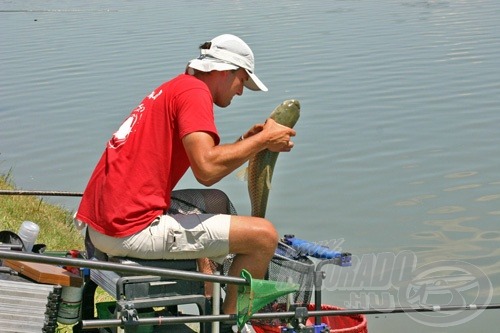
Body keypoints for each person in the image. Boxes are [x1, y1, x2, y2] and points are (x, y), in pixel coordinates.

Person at [75, 34, 296, 317]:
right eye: (242, 80)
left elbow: (206, 157)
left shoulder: (178, 87)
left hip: (103, 220)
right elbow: (206, 170)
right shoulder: (195, 94)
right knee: (264, 236)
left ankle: (213, 291)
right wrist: (262, 141)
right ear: (225, 71)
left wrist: (246, 141)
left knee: (215, 200)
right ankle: (230, 324)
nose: (241, 91)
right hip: (126, 227)